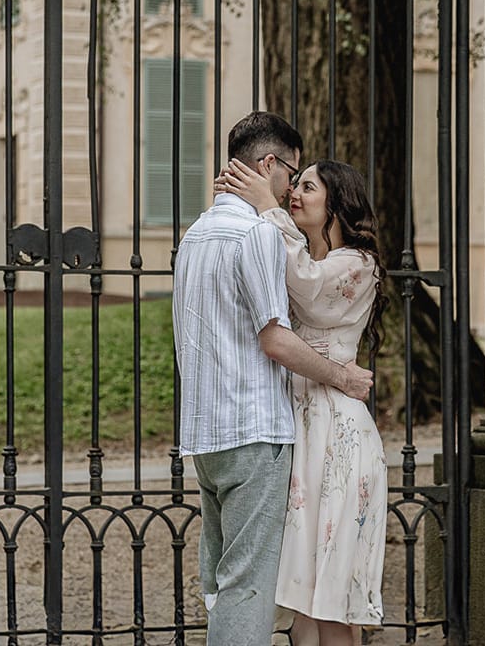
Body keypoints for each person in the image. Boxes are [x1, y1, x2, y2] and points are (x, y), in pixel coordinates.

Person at [173, 111, 375, 646]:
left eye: (306, 184)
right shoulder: (260, 235)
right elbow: (275, 337)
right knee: (253, 585)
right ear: (269, 165)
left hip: (212, 432)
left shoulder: (195, 234)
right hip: (258, 427)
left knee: (241, 581)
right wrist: (345, 377)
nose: (290, 191)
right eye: (293, 175)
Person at [216, 156, 390, 646]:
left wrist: (268, 207)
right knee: (299, 598)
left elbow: (309, 291)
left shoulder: (358, 264)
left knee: (331, 597)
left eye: (308, 188)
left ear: (337, 201)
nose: (295, 194)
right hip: (298, 427)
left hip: (337, 433)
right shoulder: (301, 258)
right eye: (295, 186)